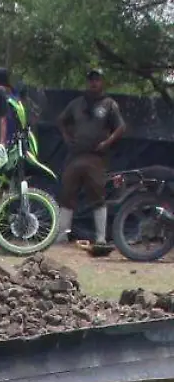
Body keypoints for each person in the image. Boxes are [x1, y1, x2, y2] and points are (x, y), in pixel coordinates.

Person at [58, 68, 129, 250]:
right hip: (75, 155)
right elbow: (61, 120)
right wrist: (67, 138)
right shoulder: (77, 104)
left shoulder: (109, 104)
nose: (93, 83)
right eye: (91, 80)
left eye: (97, 80)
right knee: (67, 192)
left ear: (102, 81)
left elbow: (120, 127)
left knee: (97, 194)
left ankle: (100, 237)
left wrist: (107, 142)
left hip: (96, 156)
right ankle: (61, 235)